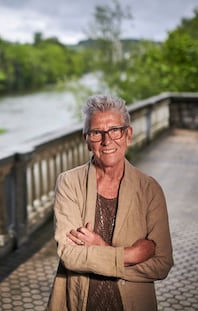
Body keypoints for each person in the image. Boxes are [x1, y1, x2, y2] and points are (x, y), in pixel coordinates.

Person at [47, 94, 173, 311]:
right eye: (96, 133)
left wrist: (100, 248)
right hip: (79, 303)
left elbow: (161, 265)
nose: (107, 141)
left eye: (115, 130)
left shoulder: (149, 189)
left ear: (128, 134)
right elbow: (70, 256)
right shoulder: (69, 183)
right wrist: (131, 255)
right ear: (86, 140)